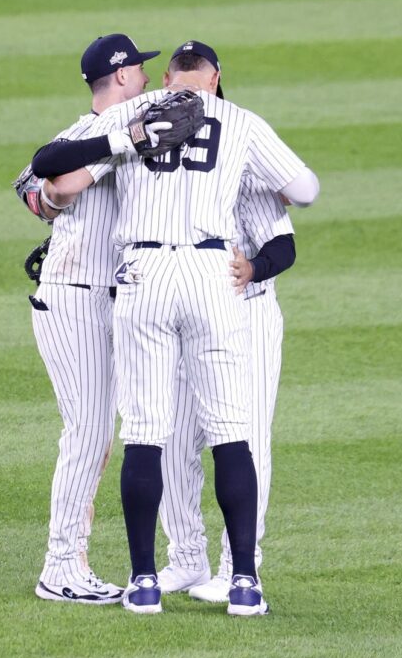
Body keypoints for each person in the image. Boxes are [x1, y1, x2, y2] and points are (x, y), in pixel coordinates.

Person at [47, 40, 319, 616]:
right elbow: (307, 191)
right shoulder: (240, 123)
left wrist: (126, 140)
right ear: (216, 78)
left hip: (143, 274)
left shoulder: (132, 113)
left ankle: (143, 582)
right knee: (232, 432)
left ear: (168, 77)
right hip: (211, 274)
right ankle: (243, 580)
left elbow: (50, 166)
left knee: (147, 429)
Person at [11, 33, 161, 605]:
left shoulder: (106, 134)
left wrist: (51, 198)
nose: (146, 78)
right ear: (120, 77)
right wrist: (112, 151)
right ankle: (61, 566)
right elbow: (39, 182)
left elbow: (41, 190)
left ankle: (70, 560)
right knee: (90, 433)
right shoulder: (89, 136)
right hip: (74, 296)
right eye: (140, 71)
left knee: (99, 432)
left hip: (105, 298)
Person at [154, 45, 298, 603]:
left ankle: (243, 566)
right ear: (165, 84)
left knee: (245, 437)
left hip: (249, 314)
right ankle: (185, 558)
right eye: (179, 83)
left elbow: (283, 243)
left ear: (216, 83)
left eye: (199, 83)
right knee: (169, 433)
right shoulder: (156, 153)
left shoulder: (241, 148)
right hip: (185, 313)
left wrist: (252, 267)